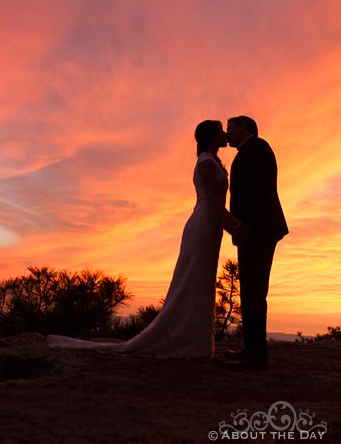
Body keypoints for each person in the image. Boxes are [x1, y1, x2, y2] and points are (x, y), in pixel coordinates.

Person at [48, 120, 241, 359]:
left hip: (211, 227)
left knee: (202, 281)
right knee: (194, 279)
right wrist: (235, 225)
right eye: (220, 130)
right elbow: (212, 200)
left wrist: (228, 226)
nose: (225, 134)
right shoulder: (204, 162)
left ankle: (196, 342)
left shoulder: (213, 161)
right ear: (212, 136)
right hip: (202, 225)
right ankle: (188, 343)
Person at [226, 116, 288, 370]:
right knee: (250, 291)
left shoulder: (258, 148)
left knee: (254, 291)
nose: (227, 132)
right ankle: (251, 349)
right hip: (252, 230)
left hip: (258, 231)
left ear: (245, 127)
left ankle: (256, 357)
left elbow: (257, 192)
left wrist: (244, 227)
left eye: (231, 127)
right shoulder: (249, 151)